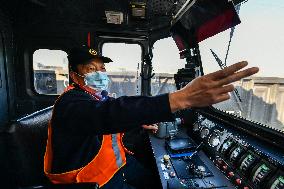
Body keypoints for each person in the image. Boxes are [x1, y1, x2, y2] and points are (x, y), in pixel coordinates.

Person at [44, 47, 259, 189]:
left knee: (158, 181)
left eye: (101, 68)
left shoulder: (97, 97)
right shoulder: (70, 104)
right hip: (91, 181)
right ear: (74, 75)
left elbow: (109, 122)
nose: (99, 73)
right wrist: (180, 99)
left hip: (118, 166)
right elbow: (108, 115)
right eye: (91, 69)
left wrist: (138, 122)